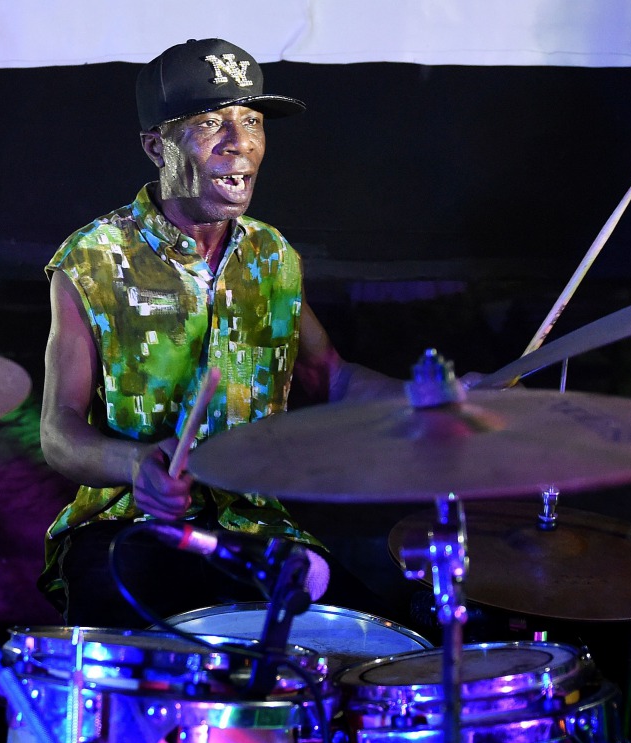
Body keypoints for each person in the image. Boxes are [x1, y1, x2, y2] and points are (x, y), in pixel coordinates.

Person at [38, 37, 402, 628]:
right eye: (211, 123)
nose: (241, 144)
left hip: (255, 529)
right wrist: (135, 465)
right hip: (130, 527)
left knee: (376, 650)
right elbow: (58, 434)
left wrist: (437, 396)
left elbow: (329, 377)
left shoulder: (271, 254)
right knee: (132, 658)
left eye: (252, 121)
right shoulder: (93, 259)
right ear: (157, 147)